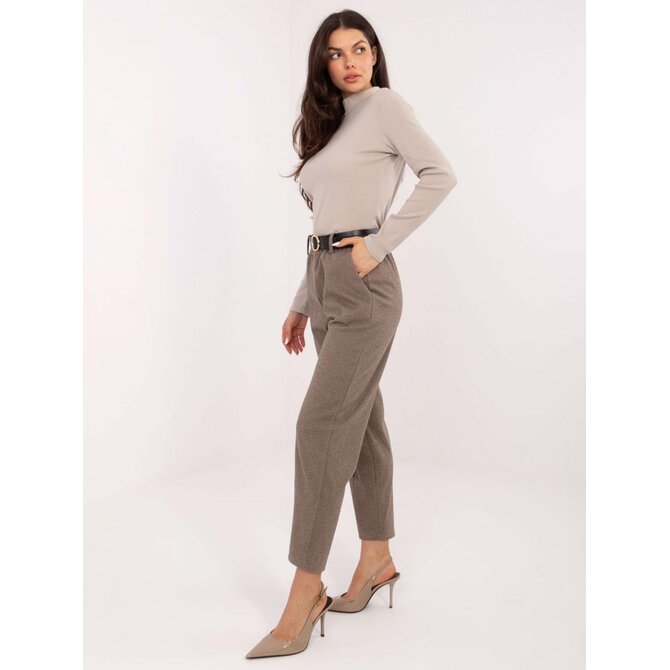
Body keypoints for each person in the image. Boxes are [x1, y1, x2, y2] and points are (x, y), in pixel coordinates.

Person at [246, 9, 457, 659]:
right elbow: (323, 223)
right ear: (323, 65)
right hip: (324, 285)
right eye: (337, 54)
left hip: (366, 287)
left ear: (375, 54)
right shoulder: (329, 127)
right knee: (361, 425)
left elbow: (441, 174)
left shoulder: (386, 106)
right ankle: (376, 558)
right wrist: (301, 300)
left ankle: (305, 588)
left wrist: (379, 245)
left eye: (360, 48)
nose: (351, 62)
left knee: (319, 426)